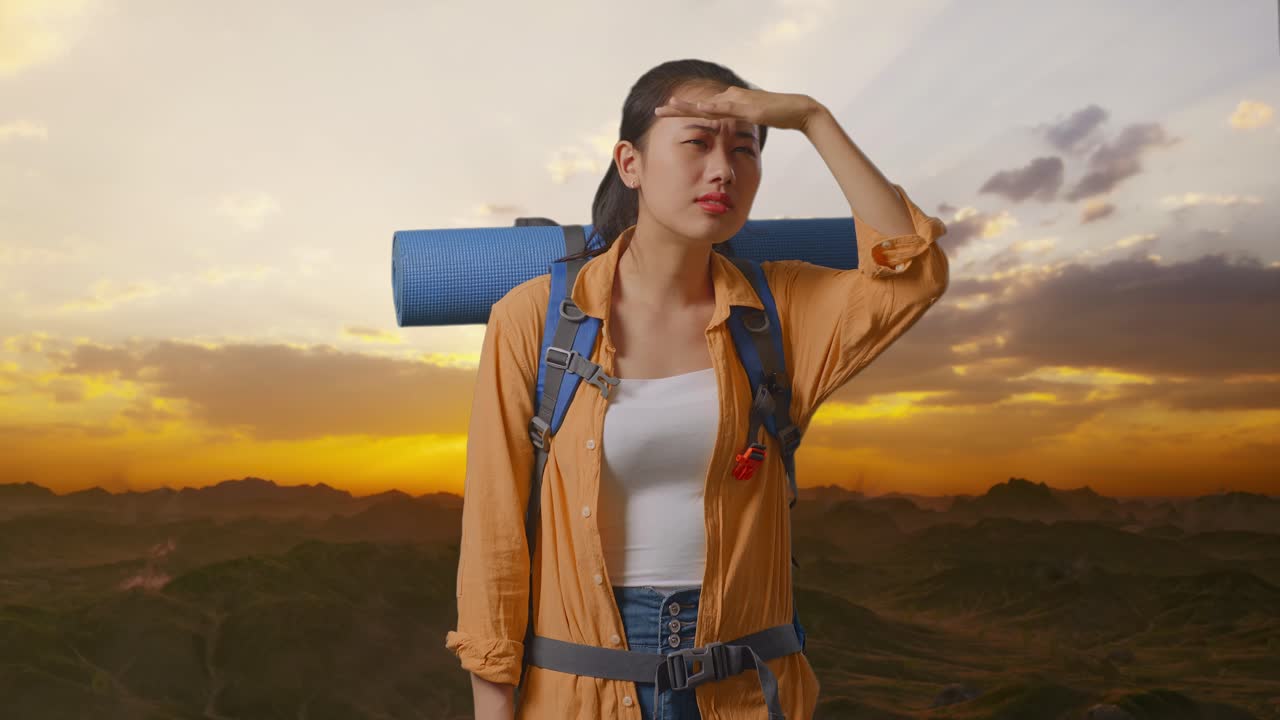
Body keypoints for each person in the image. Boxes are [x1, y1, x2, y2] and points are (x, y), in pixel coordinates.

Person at [447, 58, 949, 720]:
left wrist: (810, 119)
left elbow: (912, 273)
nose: (724, 170)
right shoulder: (533, 320)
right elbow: (495, 532)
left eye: (745, 150)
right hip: (579, 692)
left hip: (743, 692)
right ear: (630, 164)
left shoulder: (781, 312)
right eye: (697, 143)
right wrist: (492, 706)